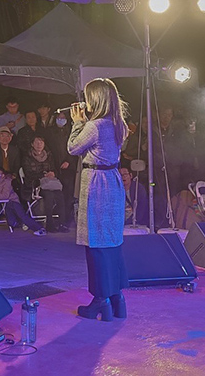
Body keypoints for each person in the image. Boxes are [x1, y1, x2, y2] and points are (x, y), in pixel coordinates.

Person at [68, 78, 129, 321]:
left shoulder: (95, 126)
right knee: (111, 242)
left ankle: (100, 301)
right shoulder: (118, 123)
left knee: (96, 244)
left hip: (96, 184)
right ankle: (117, 299)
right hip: (112, 181)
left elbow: (73, 148)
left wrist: (77, 123)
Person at [22, 136, 68, 232]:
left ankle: (62, 224)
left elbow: (54, 169)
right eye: (37, 142)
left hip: (49, 182)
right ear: (32, 144)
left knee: (60, 195)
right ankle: (49, 224)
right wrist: (42, 175)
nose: (39, 145)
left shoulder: (49, 155)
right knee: (49, 195)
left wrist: (53, 173)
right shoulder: (27, 157)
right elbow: (28, 173)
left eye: (41, 142)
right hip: (36, 184)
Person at [0, 168, 47, 236]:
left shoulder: (7, 182)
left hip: (13, 201)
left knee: (22, 215)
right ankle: (23, 224)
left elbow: (4, 196)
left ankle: (39, 228)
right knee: (12, 222)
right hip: (7, 204)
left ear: (3, 175)